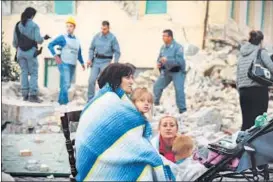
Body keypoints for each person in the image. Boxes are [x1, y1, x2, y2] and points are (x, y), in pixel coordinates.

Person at [75, 63, 174, 181]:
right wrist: (149, 154)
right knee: (145, 167)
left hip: (91, 158)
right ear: (116, 78)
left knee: (148, 161)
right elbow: (129, 138)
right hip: (97, 161)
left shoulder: (105, 97)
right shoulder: (110, 101)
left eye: (132, 77)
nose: (132, 82)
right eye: (128, 78)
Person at [236, 30, 273, 131]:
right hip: (258, 91)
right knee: (259, 123)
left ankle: (243, 144)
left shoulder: (241, 55)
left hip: (243, 92)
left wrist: (240, 90)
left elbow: (237, 77)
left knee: (246, 123)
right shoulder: (261, 52)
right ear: (261, 41)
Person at [12, 7, 50, 103]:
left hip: (20, 52)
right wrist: (43, 38)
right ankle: (32, 95)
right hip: (31, 53)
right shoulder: (34, 26)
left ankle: (25, 94)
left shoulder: (18, 25)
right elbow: (39, 40)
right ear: (32, 15)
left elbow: (14, 43)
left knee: (24, 72)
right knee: (33, 73)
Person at [48, 17, 85, 105]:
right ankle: (64, 103)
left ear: (74, 27)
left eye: (70, 26)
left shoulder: (77, 41)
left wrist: (82, 63)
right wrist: (55, 56)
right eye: (67, 26)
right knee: (66, 83)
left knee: (66, 85)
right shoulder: (62, 38)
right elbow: (50, 45)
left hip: (72, 64)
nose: (68, 28)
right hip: (64, 63)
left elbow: (78, 53)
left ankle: (60, 102)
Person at [153, 29, 186, 114]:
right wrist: (159, 63)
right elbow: (159, 58)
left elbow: (179, 62)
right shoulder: (163, 47)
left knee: (179, 90)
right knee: (157, 86)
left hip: (177, 71)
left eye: (165, 36)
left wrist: (167, 60)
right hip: (166, 71)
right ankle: (155, 104)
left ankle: (182, 110)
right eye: (162, 36)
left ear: (170, 37)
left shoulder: (178, 47)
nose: (163, 38)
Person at [87, 20, 121, 102]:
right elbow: (91, 48)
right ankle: (90, 99)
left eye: (105, 29)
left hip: (106, 61)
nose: (103, 31)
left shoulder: (112, 38)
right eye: (102, 29)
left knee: (104, 81)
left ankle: (104, 99)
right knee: (91, 80)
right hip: (96, 61)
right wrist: (90, 59)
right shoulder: (96, 37)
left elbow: (117, 52)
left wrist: (115, 63)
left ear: (108, 28)